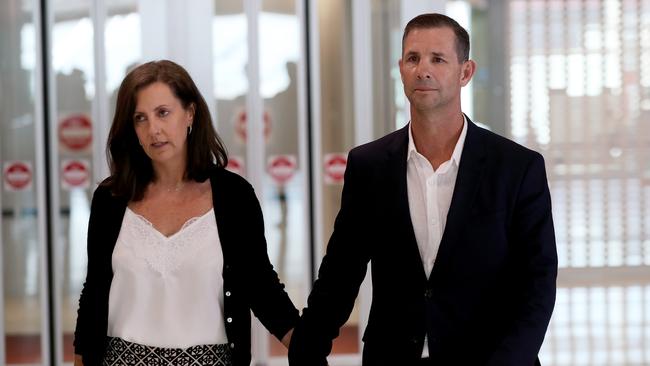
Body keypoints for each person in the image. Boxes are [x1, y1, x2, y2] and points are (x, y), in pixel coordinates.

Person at [288, 13, 557, 366]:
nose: (422, 70)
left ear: (466, 72)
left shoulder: (517, 167)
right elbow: (341, 272)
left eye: (438, 59)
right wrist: (306, 350)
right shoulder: (369, 166)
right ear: (400, 68)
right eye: (413, 59)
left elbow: (537, 282)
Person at [74, 60, 297, 366]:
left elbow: (260, 286)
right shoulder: (110, 199)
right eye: (140, 118)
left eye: (163, 113)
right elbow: (94, 289)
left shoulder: (234, 197)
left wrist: (305, 344)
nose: (154, 129)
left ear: (190, 113)